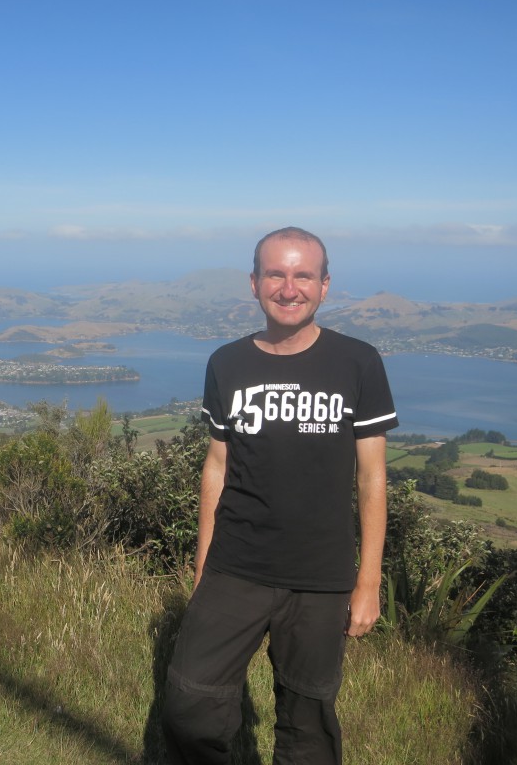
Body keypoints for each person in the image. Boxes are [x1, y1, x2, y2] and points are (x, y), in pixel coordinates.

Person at [162, 227, 398, 764]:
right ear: (254, 283)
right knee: (188, 703)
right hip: (235, 565)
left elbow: (372, 479)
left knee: (307, 721)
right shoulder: (226, 364)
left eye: (303, 276)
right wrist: (203, 569)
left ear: (324, 286)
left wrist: (368, 582)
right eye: (276, 274)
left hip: (321, 577)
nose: (289, 288)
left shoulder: (358, 363)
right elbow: (217, 469)